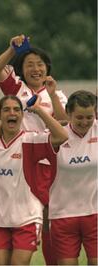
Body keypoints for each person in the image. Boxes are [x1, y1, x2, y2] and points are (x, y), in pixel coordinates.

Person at [0, 94, 68, 265]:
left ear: (22, 115)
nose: (12, 113)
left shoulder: (30, 140)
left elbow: (62, 136)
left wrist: (39, 110)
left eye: (17, 109)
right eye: (6, 109)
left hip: (26, 219)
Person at [0, 34, 68, 265]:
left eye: (40, 64)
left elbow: (64, 123)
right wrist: (12, 49)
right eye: (30, 64)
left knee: (48, 218)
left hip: (48, 161)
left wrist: (52, 95)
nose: (36, 69)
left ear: (47, 68)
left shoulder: (57, 93)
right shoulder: (17, 88)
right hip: (19, 161)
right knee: (18, 215)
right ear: (21, 70)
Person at [48, 90, 97, 265]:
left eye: (89, 117)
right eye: (79, 118)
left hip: (95, 214)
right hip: (63, 215)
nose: (85, 122)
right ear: (69, 114)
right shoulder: (57, 135)